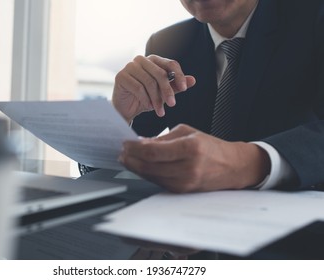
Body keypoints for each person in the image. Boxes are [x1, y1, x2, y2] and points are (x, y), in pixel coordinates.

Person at [112, 0, 324, 192]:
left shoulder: (315, 17)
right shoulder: (166, 43)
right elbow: (113, 165)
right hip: (186, 220)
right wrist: (119, 115)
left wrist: (247, 162)